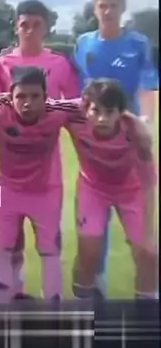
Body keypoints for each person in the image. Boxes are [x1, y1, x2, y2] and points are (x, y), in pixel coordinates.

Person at [0, 67, 86, 303]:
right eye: (21, 96)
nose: (28, 103)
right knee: (5, 247)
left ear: (46, 97)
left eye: (35, 96)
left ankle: (52, 304)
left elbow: (95, 101)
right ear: (10, 97)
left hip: (46, 193)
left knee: (49, 250)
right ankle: (6, 299)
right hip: (8, 192)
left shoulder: (58, 111)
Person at [73, 0, 157, 297]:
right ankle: (96, 287)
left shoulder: (138, 43)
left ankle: (147, 302)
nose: (107, 11)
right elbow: (78, 90)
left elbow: (147, 85)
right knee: (92, 241)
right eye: (102, 5)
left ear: (123, 8)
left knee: (144, 247)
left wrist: (144, 121)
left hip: (128, 141)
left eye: (113, 6)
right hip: (94, 140)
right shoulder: (84, 43)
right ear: (94, 8)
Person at [0, 0, 80, 298]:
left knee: (49, 245)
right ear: (16, 27)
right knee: (10, 241)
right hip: (9, 172)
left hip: (47, 175)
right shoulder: (2, 63)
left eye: (36, 25)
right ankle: (14, 290)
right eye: (24, 25)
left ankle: (52, 303)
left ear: (47, 28)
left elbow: (76, 107)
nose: (30, 31)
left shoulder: (59, 64)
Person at [68, 79, 158, 301]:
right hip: (93, 188)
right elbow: (45, 107)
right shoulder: (74, 118)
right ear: (86, 108)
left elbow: (148, 184)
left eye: (109, 112)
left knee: (148, 254)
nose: (102, 118)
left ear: (121, 112)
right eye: (96, 111)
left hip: (132, 191)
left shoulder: (136, 134)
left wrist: (148, 233)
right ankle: (83, 302)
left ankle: (146, 308)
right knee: (89, 252)